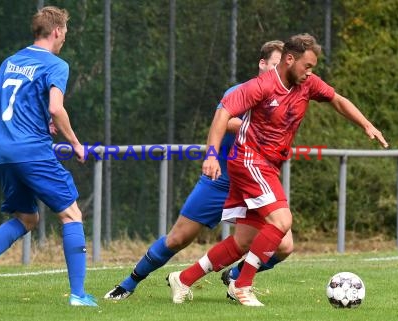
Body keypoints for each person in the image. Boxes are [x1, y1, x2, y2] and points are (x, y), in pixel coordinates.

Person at [168, 33, 389, 307]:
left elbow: (338, 99)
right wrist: (211, 156)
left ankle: (184, 278)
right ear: (289, 59)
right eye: (307, 66)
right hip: (248, 159)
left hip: (267, 166)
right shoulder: (261, 86)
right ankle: (242, 285)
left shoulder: (307, 84)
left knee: (243, 242)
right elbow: (223, 113)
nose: (310, 73)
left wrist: (366, 124)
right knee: (282, 222)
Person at [103, 40, 293, 301]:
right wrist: (248, 132)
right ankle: (128, 284)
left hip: (256, 182)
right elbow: (224, 120)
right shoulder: (241, 91)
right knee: (178, 238)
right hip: (220, 180)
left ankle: (236, 277)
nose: (278, 72)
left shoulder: (284, 98)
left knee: (284, 245)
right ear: (262, 64)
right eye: (274, 65)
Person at [0, 6, 97, 307]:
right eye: (65, 34)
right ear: (57, 31)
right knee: (72, 214)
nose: (64, 40)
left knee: (26, 217)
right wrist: (75, 143)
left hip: (4, 152)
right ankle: (78, 296)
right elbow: (56, 108)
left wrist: (36, 117)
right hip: (32, 150)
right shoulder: (56, 64)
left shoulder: (9, 62)